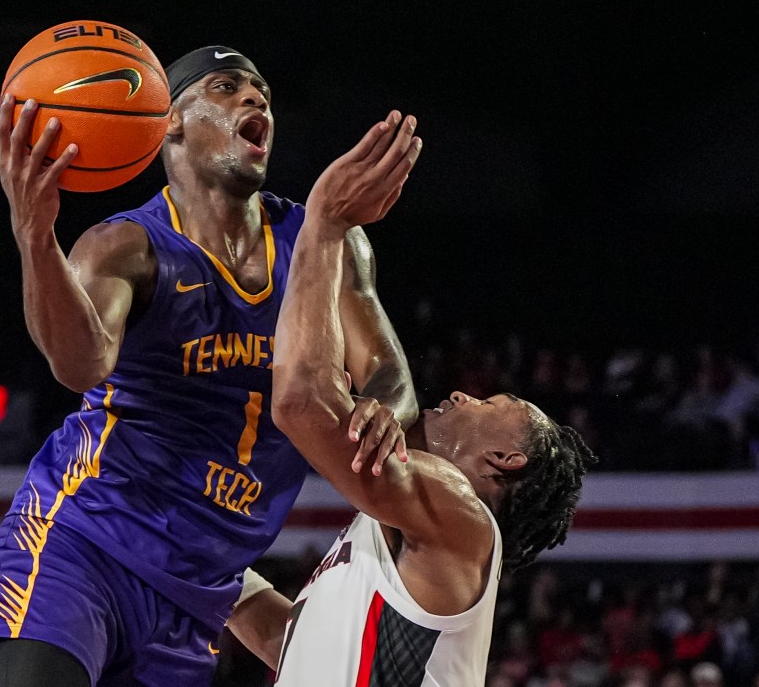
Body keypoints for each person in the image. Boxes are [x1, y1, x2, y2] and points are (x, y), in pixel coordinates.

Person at [0, 44, 417, 686]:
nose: (256, 100)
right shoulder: (124, 245)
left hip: (200, 592)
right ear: (167, 119)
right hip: (84, 541)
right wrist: (35, 237)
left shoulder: (319, 241)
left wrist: (383, 411)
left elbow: (390, 378)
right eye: (227, 87)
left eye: (261, 92)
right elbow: (81, 365)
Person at [224, 119, 595, 684]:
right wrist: (208, 558)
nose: (461, 393)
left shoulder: (465, 520)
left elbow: (300, 404)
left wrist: (323, 224)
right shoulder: (399, 543)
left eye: (491, 402)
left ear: (506, 460)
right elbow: (292, 643)